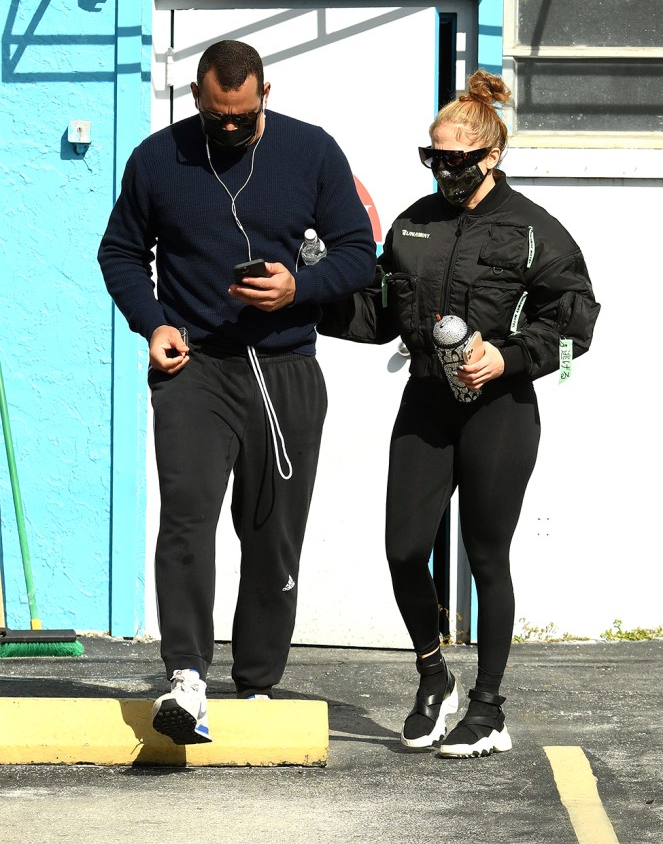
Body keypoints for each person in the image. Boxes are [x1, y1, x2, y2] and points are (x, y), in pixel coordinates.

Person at [98, 40, 375, 744]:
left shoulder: (312, 151)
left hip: (284, 367)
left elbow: (356, 252)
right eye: (218, 117)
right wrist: (153, 322)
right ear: (197, 97)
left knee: (273, 532)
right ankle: (186, 677)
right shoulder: (160, 158)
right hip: (195, 366)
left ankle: (255, 682)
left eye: (243, 117)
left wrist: (297, 286)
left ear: (265, 95)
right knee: (187, 517)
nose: (230, 128)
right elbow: (122, 252)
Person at [320, 69, 599, 758]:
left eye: (457, 159)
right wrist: (310, 294)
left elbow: (576, 325)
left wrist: (510, 357)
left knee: (485, 555)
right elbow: (379, 316)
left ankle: (489, 708)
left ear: (491, 156)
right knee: (404, 548)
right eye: (432, 157)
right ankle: (433, 676)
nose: (444, 170)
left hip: (500, 410)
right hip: (426, 398)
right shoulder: (414, 224)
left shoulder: (534, 229)